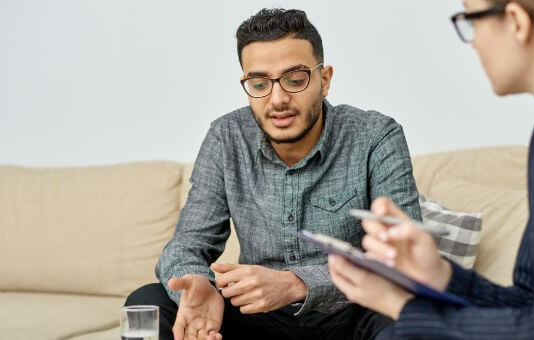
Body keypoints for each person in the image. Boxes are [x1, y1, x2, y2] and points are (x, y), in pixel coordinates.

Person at [125, 8, 427, 340]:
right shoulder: (226, 137)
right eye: (259, 83)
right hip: (257, 320)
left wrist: (297, 283)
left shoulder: (375, 136)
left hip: (350, 313)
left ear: (324, 80)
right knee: (146, 303)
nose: (278, 99)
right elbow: (186, 245)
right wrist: (199, 284)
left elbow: (404, 260)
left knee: (412, 316)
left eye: (295, 80)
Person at [328, 0, 534, 339]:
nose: (472, 41)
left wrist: (399, 305)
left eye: (471, 21)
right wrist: (439, 275)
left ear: (515, 21)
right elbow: (529, 302)